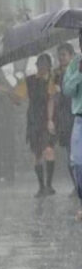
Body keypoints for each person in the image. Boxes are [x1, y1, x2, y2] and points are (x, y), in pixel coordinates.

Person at [15, 53, 57, 197]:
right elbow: (18, 99)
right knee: (37, 153)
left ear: (49, 66)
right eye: (40, 64)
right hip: (33, 120)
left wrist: (50, 119)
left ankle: (49, 185)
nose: (42, 67)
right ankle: (41, 187)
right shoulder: (29, 81)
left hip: (46, 118)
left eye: (45, 65)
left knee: (49, 150)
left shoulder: (52, 80)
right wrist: (12, 95)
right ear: (37, 65)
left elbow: (51, 99)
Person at [60, 36, 82, 221]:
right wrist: (79, 74)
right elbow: (67, 90)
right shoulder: (75, 65)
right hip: (79, 119)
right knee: (77, 162)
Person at [53, 43, 76, 184]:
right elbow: (55, 98)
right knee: (70, 153)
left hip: (77, 113)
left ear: (71, 56)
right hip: (65, 116)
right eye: (59, 55)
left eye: (64, 55)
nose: (61, 58)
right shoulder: (57, 75)